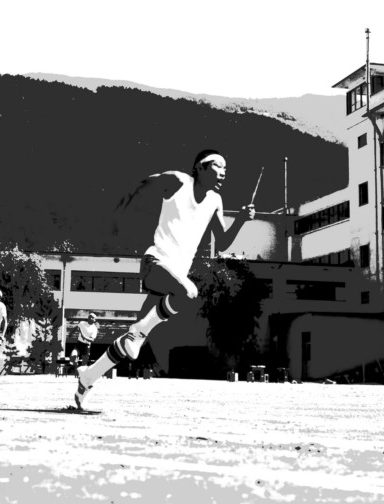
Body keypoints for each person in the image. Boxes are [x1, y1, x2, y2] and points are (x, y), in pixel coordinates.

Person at [73, 149, 255, 409]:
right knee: (188, 293)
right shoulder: (177, 181)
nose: (224, 172)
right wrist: (115, 215)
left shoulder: (215, 200)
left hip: (173, 278)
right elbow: (140, 183)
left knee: (129, 346)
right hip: (155, 263)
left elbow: (223, 241)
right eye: (218, 166)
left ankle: (88, 377)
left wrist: (241, 220)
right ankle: (138, 333)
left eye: (226, 168)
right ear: (200, 167)